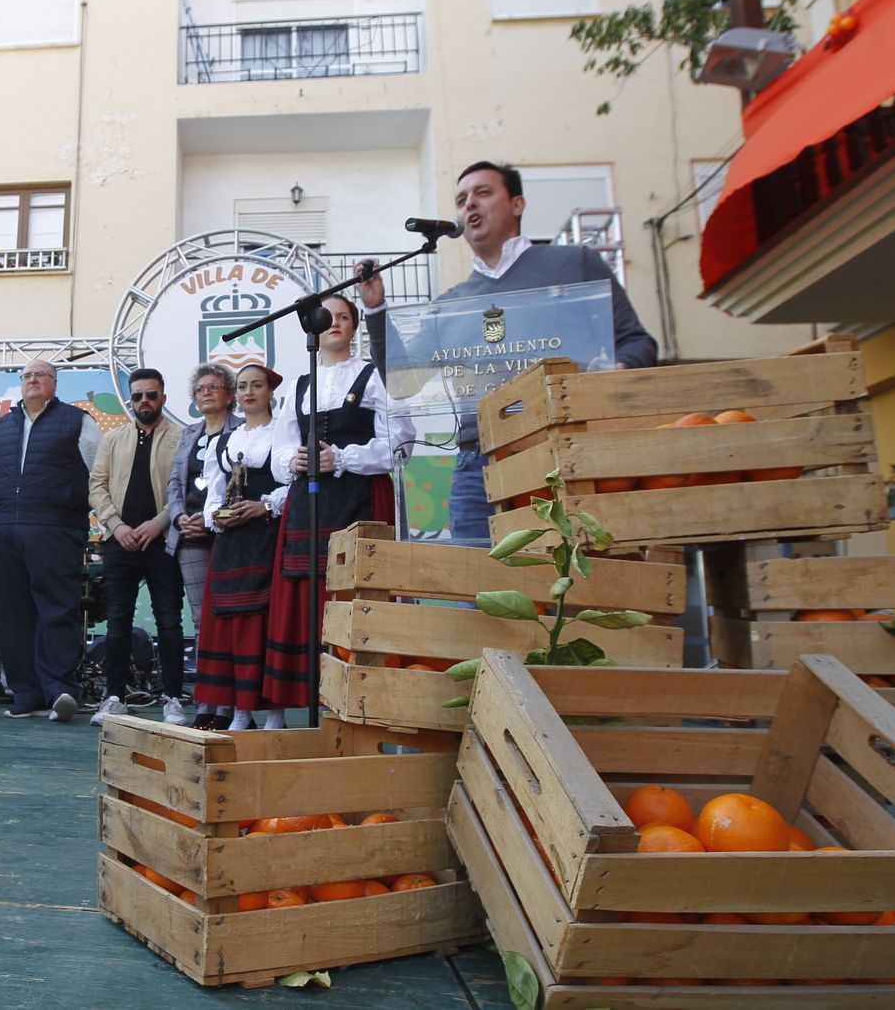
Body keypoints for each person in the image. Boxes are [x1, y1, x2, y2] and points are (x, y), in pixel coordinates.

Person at [362, 160, 658, 541]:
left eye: (483, 193)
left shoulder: (575, 265)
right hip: (479, 468)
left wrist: (617, 370)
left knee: (572, 572)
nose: (470, 204)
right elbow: (402, 382)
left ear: (517, 204)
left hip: (566, 448)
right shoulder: (451, 306)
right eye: (461, 200)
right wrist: (375, 310)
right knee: (479, 577)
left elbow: (638, 342)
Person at [264, 297, 415, 721]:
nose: (334, 323)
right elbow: (279, 450)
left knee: (358, 590)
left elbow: (401, 444)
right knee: (306, 594)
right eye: (327, 317)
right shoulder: (299, 385)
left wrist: (344, 457)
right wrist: (292, 460)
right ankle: (306, 699)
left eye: (344, 316)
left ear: (354, 327)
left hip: (361, 499)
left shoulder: (373, 375)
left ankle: (359, 700)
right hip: (308, 504)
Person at [0, 359, 100, 722]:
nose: (32, 379)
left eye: (41, 374)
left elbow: (98, 474)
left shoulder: (77, 421)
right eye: (27, 375)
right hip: (5, 530)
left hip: (56, 528)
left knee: (57, 609)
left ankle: (59, 690)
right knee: (11, 615)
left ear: (54, 383)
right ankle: (26, 693)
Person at [88, 368, 186, 727]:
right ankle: (114, 697)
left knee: (169, 622)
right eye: (138, 396)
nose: (144, 401)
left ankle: (173, 698)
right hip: (120, 542)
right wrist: (117, 526)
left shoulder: (183, 437)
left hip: (164, 543)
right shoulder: (113, 439)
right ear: (130, 400)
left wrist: (159, 522)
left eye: (151, 395)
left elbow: (185, 487)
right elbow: (96, 486)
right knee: (117, 622)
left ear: (163, 398)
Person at [194, 364, 288, 730]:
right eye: (244, 386)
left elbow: (294, 485)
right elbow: (213, 495)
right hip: (232, 543)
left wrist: (264, 506)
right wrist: (217, 516)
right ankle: (240, 713)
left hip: (268, 539)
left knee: (267, 625)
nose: (249, 392)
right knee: (231, 627)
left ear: (270, 392)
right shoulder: (224, 441)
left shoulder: (283, 432)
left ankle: (275, 715)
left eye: (257, 385)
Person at [165, 363, 240, 728]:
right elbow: (174, 484)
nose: (206, 392)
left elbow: (244, 483)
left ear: (229, 394)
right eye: (200, 389)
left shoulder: (243, 430)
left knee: (229, 619)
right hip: (190, 537)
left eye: (214, 386)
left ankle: (229, 707)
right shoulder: (189, 434)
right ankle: (206, 702)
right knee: (202, 621)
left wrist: (213, 518)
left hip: (230, 536)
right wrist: (179, 517)